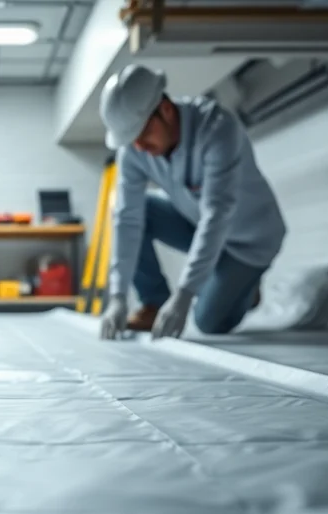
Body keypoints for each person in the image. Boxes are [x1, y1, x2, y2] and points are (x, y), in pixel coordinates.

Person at [98, 63, 287, 340]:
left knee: (207, 321)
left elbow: (217, 215)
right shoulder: (134, 150)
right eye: (131, 139)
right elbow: (128, 219)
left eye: (142, 134)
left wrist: (186, 294)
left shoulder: (217, 129)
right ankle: (154, 303)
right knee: (141, 212)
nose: (138, 147)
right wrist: (117, 296)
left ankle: (246, 292)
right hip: (195, 222)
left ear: (164, 110)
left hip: (248, 242)